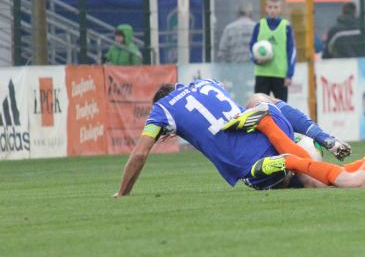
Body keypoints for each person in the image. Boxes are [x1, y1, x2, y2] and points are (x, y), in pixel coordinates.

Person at [113, 79, 351, 196]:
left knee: (284, 174)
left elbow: (140, 153)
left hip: (257, 170)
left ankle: (306, 160)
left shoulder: (161, 110)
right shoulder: (206, 82)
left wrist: (122, 193)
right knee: (257, 99)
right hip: (276, 131)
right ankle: (323, 139)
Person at [249, 0, 296, 101]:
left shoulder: (286, 27)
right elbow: (251, 47)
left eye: (275, 7)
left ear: (280, 9)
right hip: (262, 73)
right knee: (259, 107)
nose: (272, 10)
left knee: (281, 109)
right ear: (266, 8)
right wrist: (256, 59)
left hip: (280, 75)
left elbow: (291, 51)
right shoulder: (259, 25)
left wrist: (289, 74)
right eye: (270, 7)